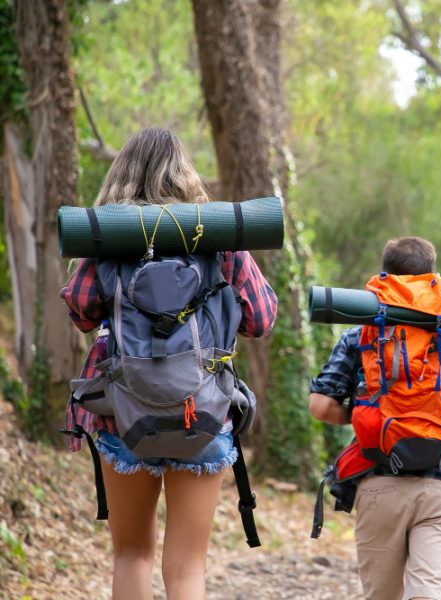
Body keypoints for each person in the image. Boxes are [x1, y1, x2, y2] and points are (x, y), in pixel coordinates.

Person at [60, 127, 278, 600]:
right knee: (186, 569)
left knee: (131, 555)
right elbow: (261, 319)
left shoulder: (110, 240)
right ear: (185, 172)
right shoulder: (220, 238)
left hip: (124, 415)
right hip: (203, 411)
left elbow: (79, 312)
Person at [308, 236, 441, 600]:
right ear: (432, 275)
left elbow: (321, 406)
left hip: (379, 482)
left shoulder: (361, 334)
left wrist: (366, 415)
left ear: (385, 276)